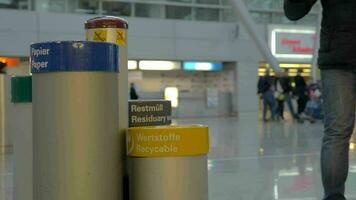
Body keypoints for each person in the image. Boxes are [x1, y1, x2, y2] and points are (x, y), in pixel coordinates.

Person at [284, 1, 356, 199]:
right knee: (337, 132)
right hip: (338, 60)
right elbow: (294, 10)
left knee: (337, 132)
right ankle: (333, 196)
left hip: (336, 55)